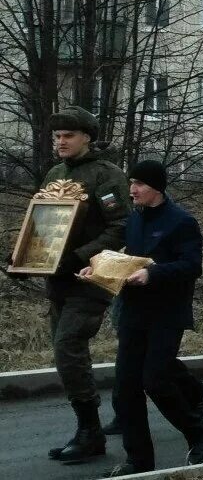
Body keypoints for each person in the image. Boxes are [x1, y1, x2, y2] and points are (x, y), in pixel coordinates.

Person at [94, 161, 203, 476]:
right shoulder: (135, 219)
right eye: (131, 182)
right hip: (134, 312)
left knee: (156, 380)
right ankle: (139, 461)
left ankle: (196, 430)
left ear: (156, 188)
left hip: (167, 313)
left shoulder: (181, 221)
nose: (132, 189)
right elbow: (126, 260)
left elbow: (191, 266)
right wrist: (98, 269)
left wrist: (153, 273)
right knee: (125, 388)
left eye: (139, 184)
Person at [33, 107, 131, 466]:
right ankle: (86, 429)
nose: (61, 141)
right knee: (66, 356)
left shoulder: (106, 175)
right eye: (57, 136)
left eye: (68, 136)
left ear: (87, 138)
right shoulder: (54, 173)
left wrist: (80, 256)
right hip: (57, 279)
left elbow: (120, 226)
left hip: (92, 277)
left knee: (67, 346)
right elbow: (40, 225)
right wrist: (27, 258)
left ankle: (90, 433)